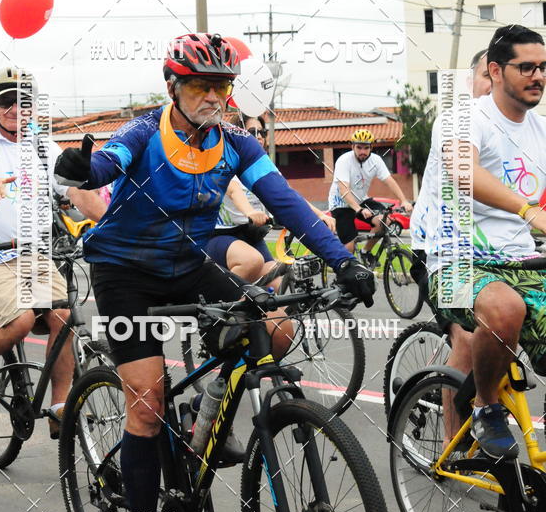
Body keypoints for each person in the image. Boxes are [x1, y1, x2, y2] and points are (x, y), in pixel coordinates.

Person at [54, 32, 375, 512]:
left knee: (275, 328)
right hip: (125, 271)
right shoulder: (144, 131)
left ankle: (204, 420)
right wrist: (82, 167)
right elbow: (106, 163)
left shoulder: (236, 143)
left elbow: (284, 201)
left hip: (188, 262)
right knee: (147, 404)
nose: (213, 96)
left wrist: (343, 260)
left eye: (222, 86)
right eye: (200, 85)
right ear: (172, 86)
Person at [0, 68, 105, 438]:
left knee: (64, 317)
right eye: (5, 101)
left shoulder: (42, 146)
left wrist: (113, 221)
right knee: (20, 320)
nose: (14, 109)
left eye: (23, 102)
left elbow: (73, 189)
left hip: (33, 255)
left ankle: (60, 406)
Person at [426, 25, 546, 459]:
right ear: (495, 71)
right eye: (526, 67)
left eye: (543, 67)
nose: (538, 76)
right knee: (504, 309)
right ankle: (485, 407)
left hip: (522, 260)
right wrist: (527, 210)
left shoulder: (542, 129)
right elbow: (465, 172)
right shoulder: (463, 119)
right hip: (457, 260)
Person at [408, 50, 490, 447]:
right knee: (469, 340)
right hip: (438, 249)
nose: (493, 86)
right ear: (471, 81)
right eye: (487, 76)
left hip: (487, 253)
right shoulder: (458, 122)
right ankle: (451, 445)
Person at [207, 111, 336, 284]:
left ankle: (247, 300)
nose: (259, 137)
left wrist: (319, 214)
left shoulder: (263, 166)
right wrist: (250, 212)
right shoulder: (226, 161)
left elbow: (289, 195)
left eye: (262, 132)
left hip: (252, 235)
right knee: (251, 262)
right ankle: (219, 297)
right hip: (222, 235)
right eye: (252, 132)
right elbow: (234, 190)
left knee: (277, 284)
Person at [328, 129, 413, 258]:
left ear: (371, 148)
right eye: (359, 147)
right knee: (349, 247)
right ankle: (345, 268)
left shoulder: (376, 160)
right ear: (353, 147)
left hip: (361, 200)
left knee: (385, 221)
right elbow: (343, 190)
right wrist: (358, 209)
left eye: (366, 148)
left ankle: (365, 252)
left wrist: (404, 200)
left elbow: (389, 181)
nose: (362, 151)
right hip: (341, 203)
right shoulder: (344, 161)